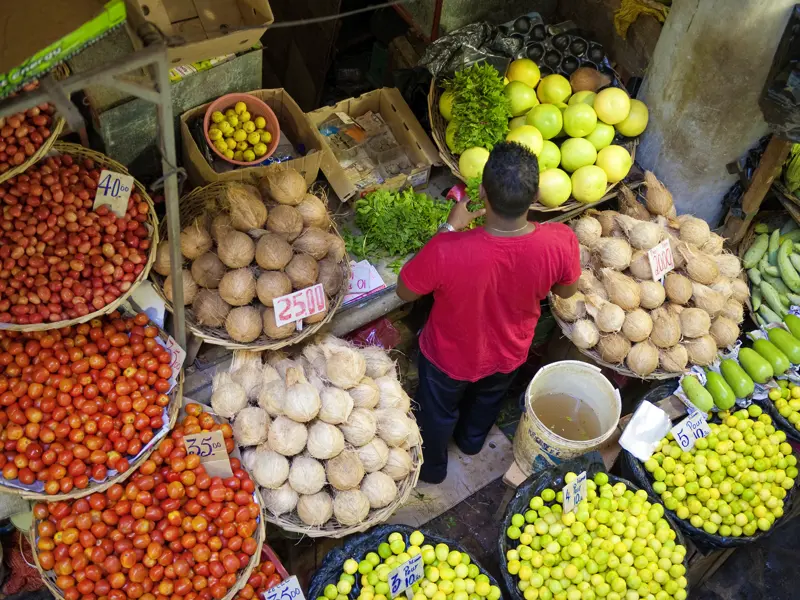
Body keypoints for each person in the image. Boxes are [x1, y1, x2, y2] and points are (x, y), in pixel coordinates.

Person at [396, 141, 581, 483]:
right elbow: (566, 291)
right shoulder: (560, 241)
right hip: (510, 352)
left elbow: (404, 289)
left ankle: (433, 470)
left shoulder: (447, 250)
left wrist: (450, 227)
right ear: (537, 194)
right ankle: (470, 444)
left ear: (481, 191)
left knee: (436, 414)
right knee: (487, 400)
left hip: (448, 359)